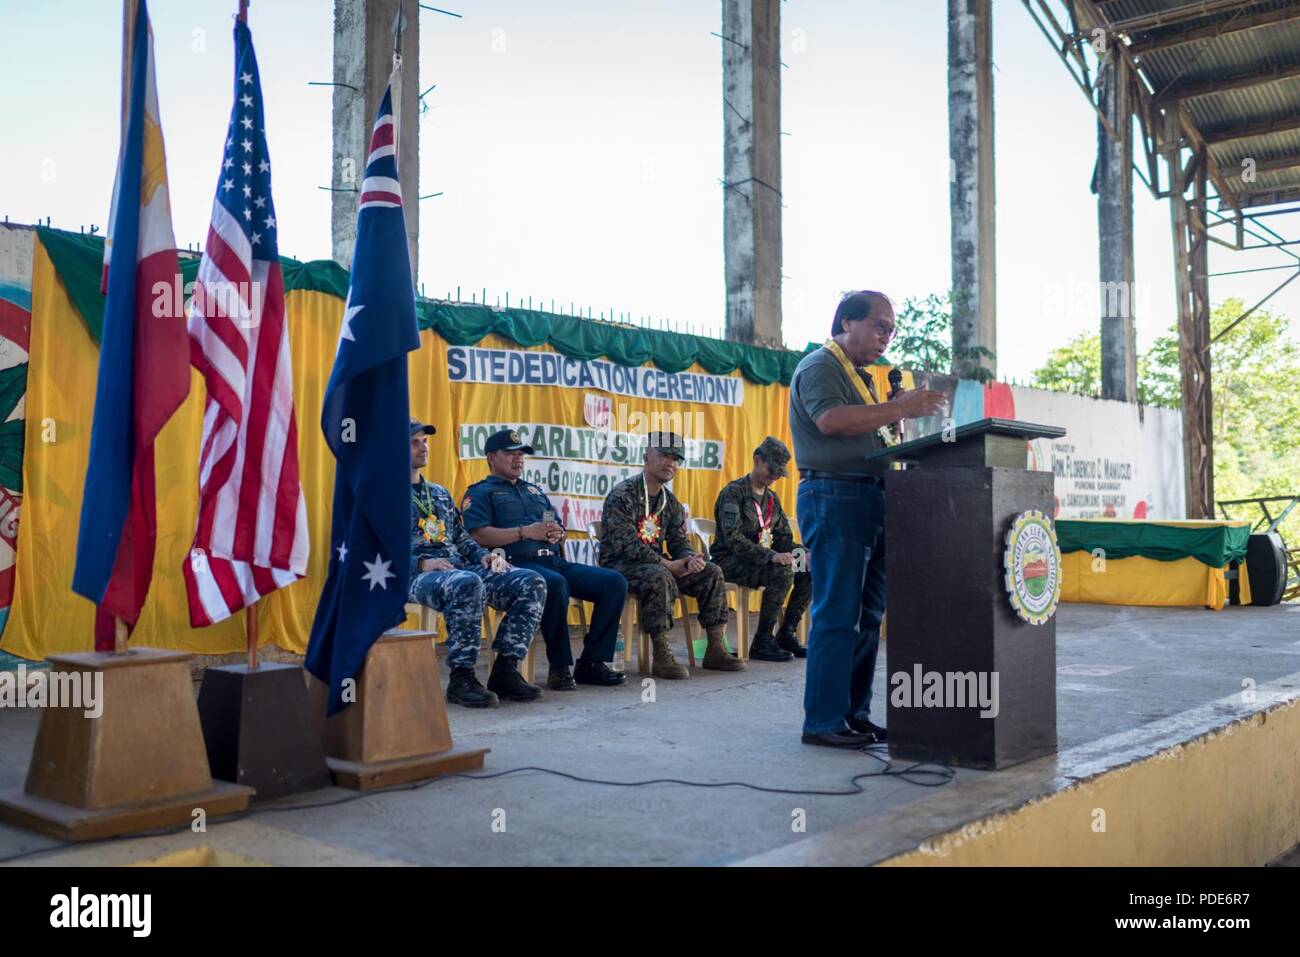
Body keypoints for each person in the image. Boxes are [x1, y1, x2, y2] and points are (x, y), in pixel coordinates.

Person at [789, 291, 946, 748]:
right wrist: (901, 407)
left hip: (872, 496)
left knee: (867, 615)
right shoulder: (821, 365)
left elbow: (866, 432)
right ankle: (822, 720)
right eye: (879, 326)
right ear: (846, 322)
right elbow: (831, 422)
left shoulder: (861, 377)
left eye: (891, 330)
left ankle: (852, 714)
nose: (886, 337)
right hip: (835, 495)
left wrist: (893, 414)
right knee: (838, 613)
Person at [463, 429, 628, 691]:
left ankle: (592, 662)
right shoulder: (481, 493)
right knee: (554, 583)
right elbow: (478, 535)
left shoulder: (534, 491)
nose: (518, 459)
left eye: (521, 454)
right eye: (510, 454)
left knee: (614, 582)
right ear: (491, 457)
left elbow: (554, 524)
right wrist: (523, 532)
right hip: (515, 564)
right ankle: (560, 667)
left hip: (552, 559)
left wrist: (557, 533)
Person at [406, 419, 547, 708]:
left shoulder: (439, 493)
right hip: (414, 574)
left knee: (530, 581)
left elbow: (460, 537)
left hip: (457, 567)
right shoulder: (383, 495)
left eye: (425, 441)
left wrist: (483, 555)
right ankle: (462, 677)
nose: (423, 447)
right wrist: (421, 563)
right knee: (467, 582)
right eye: (414, 441)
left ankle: (506, 668)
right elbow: (373, 551)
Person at [599, 433, 743, 679]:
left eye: (675, 458)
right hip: (620, 566)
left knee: (712, 572)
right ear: (646, 457)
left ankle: (715, 648)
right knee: (660, 575)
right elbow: (626, 545)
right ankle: (662, 654)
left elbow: (678, 541)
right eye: (664, 456)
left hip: (658, 565)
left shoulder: (671, 503)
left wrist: (689, 559)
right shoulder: (623, 495)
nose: (670, 463)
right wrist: (667, 563)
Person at [710, 436, 810, 663]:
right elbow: (733, 540)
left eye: (778, 473)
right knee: (782, 571)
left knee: (808, 566)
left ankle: (786, 633)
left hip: (763, 560)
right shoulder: (733, 493)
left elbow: (783, 537)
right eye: (771, 470)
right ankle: (762, 641)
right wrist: (772, 556)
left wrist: (801, 553)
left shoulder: (772, 499)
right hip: (730, 561)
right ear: (757, 460)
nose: (774, 477)